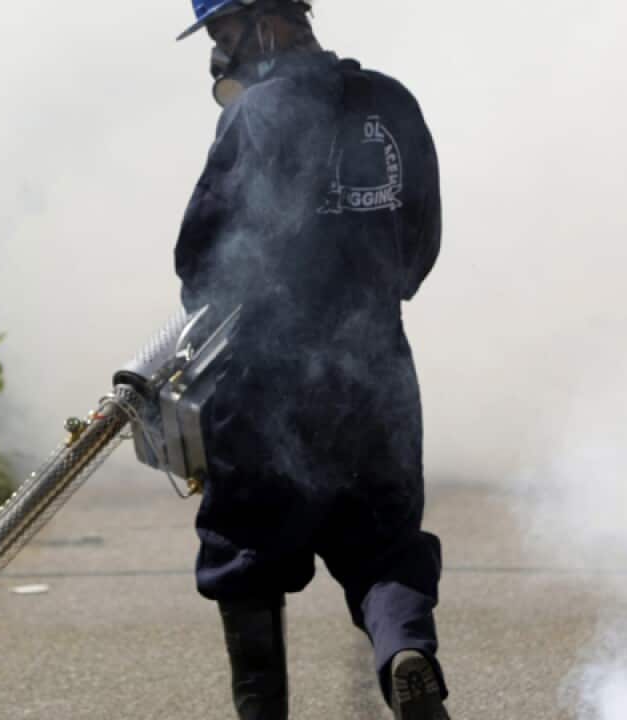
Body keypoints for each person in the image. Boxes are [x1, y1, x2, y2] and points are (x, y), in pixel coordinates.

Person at [174, 2, 448, 718]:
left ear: (265, 23)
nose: (220, 54)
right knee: (385, 544)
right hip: (378, 370)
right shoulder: (393, 102)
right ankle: (405, 655)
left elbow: (202, 257)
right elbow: (419, 245)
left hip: (269, 380)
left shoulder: (254, 116)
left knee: (245, 552)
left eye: (224, 34)